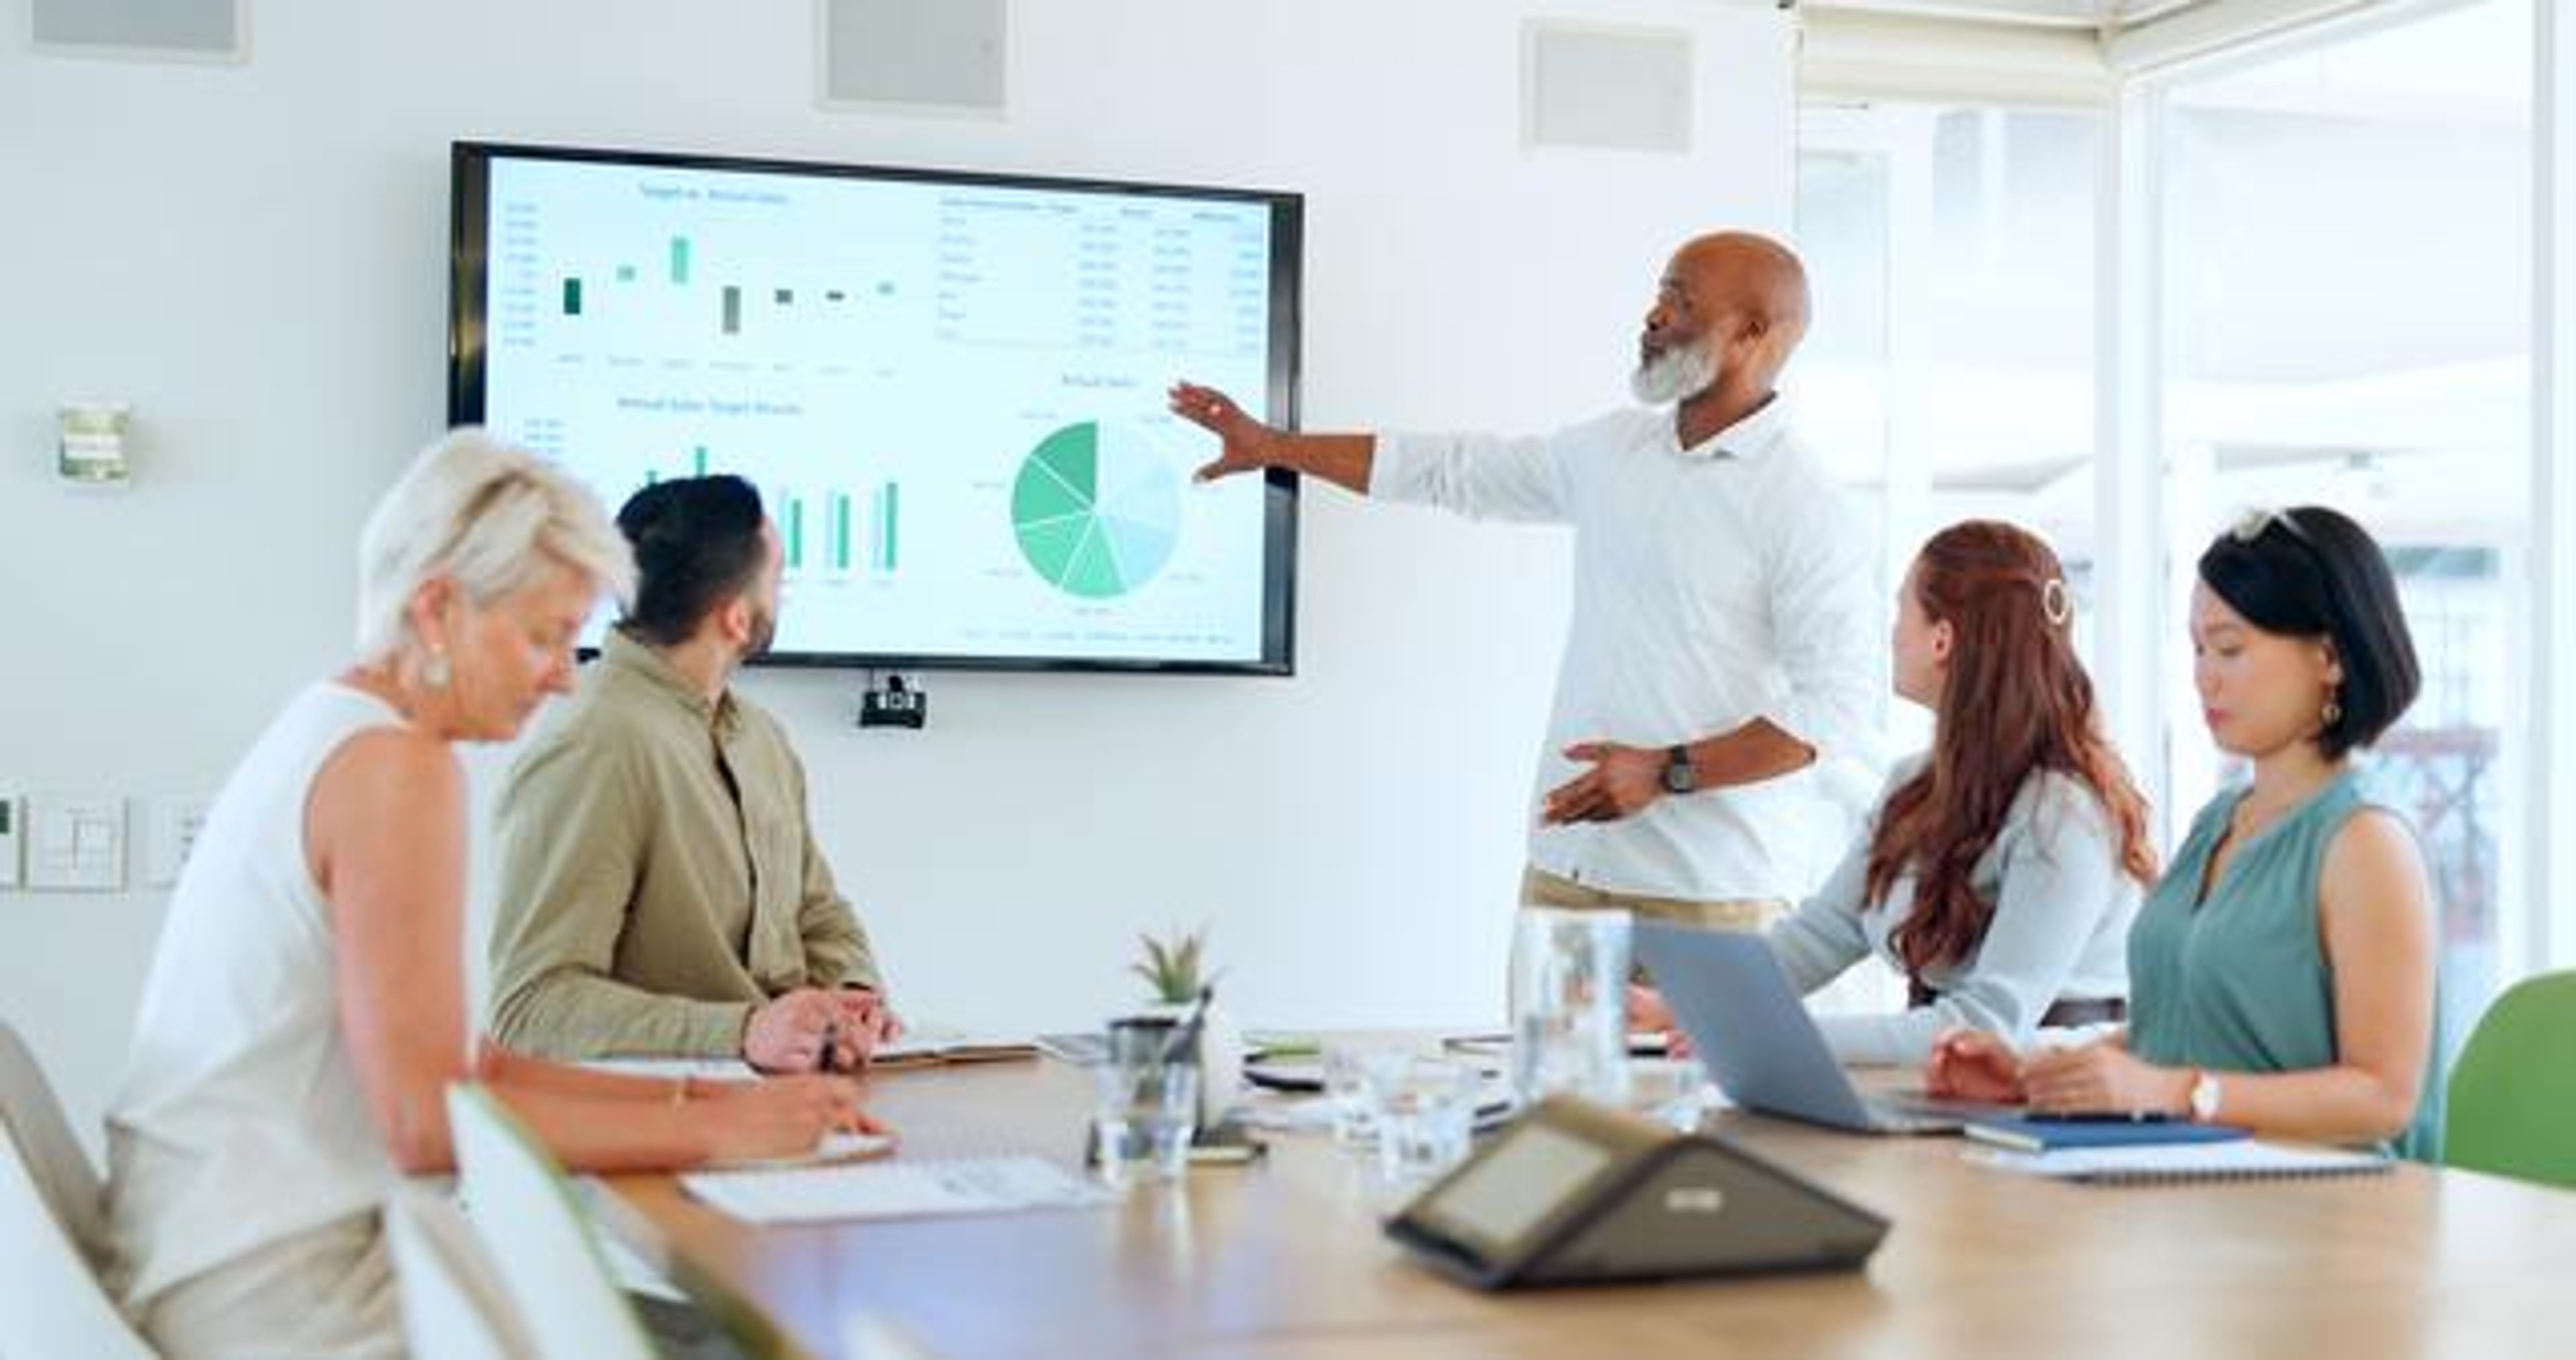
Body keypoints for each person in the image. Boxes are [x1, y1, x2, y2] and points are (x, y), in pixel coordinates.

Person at [102, 432, 873, 1359]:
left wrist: (703, 1097)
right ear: (436, 611)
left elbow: (473, 1065)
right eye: (545, 635)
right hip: (284, 1292)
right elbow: (431, 1122)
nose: (562, 672)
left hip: (210, 1254)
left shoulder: (332, 726)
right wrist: (722, 1129)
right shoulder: (397, 771)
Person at [1171, 231, 1876, 928]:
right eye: (1659, 296)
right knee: (1537, 1052)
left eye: (1682, 303)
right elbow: (1456, 470)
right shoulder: (1614, 450)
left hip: (1708, 897)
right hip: (1567, 880)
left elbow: (1838, 708)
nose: (1654, 318)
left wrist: (1669, 770)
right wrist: (1276, 448)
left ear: (1751, 331)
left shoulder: (1803, 504)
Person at [1929, 506, 2444, 1159]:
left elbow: (2383, 1099)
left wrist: (2177, 1094)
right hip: (2203, 1180)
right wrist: (2038, 1076)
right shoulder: (2220, 821)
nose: (2204, 675)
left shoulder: (2367, 842)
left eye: (2230, 648)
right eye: (2198, 648)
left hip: (2331, 1213)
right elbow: (2180, 1032)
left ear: (2331, 657)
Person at [1629, 520, 2155, 1065]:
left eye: (1902, 609)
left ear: (1941, 639)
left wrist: (1777, 1040)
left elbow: (1987, 1026)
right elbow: (1821, 936)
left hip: (2051, 1095)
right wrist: (1677, 1005)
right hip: (1940, 1081)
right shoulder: (1912, 783)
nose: (1892, 633)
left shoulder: (2063, 815)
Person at [488, 473, 900, 1073]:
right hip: (660, 1129)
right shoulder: (594, 747)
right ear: (735, 619)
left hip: (790, 1111)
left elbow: (819, 914)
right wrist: (743, 1030)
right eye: (778, 580)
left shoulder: (761, 739)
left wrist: (854, 997)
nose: (782, 597)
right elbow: (530, 1009)